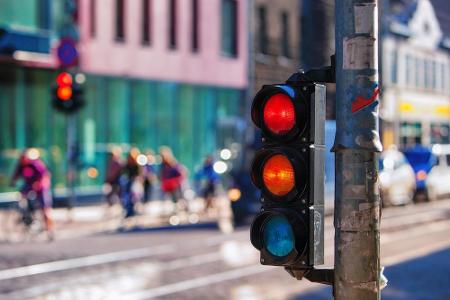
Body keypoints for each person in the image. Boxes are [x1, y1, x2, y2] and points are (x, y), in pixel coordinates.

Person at [10, 148, 54, 240]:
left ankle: (49, 230)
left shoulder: (35, 164)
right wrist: (13, 182)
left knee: (45, 208)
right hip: (29, 185)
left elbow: (44, 176)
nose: (23, 160)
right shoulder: (21, 166)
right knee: (21, 196)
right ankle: (26, 216)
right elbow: (15, 176)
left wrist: (39, 184)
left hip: (41, 187)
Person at [122, 147, 143, 218]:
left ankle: (132, 211)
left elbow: (140, 174)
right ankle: (129, 211)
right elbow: (124, 172)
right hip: (129, 182)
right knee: (127, 197)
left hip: (134, 182)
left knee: (134, 197)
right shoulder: (127, 163)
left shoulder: (137, 164)